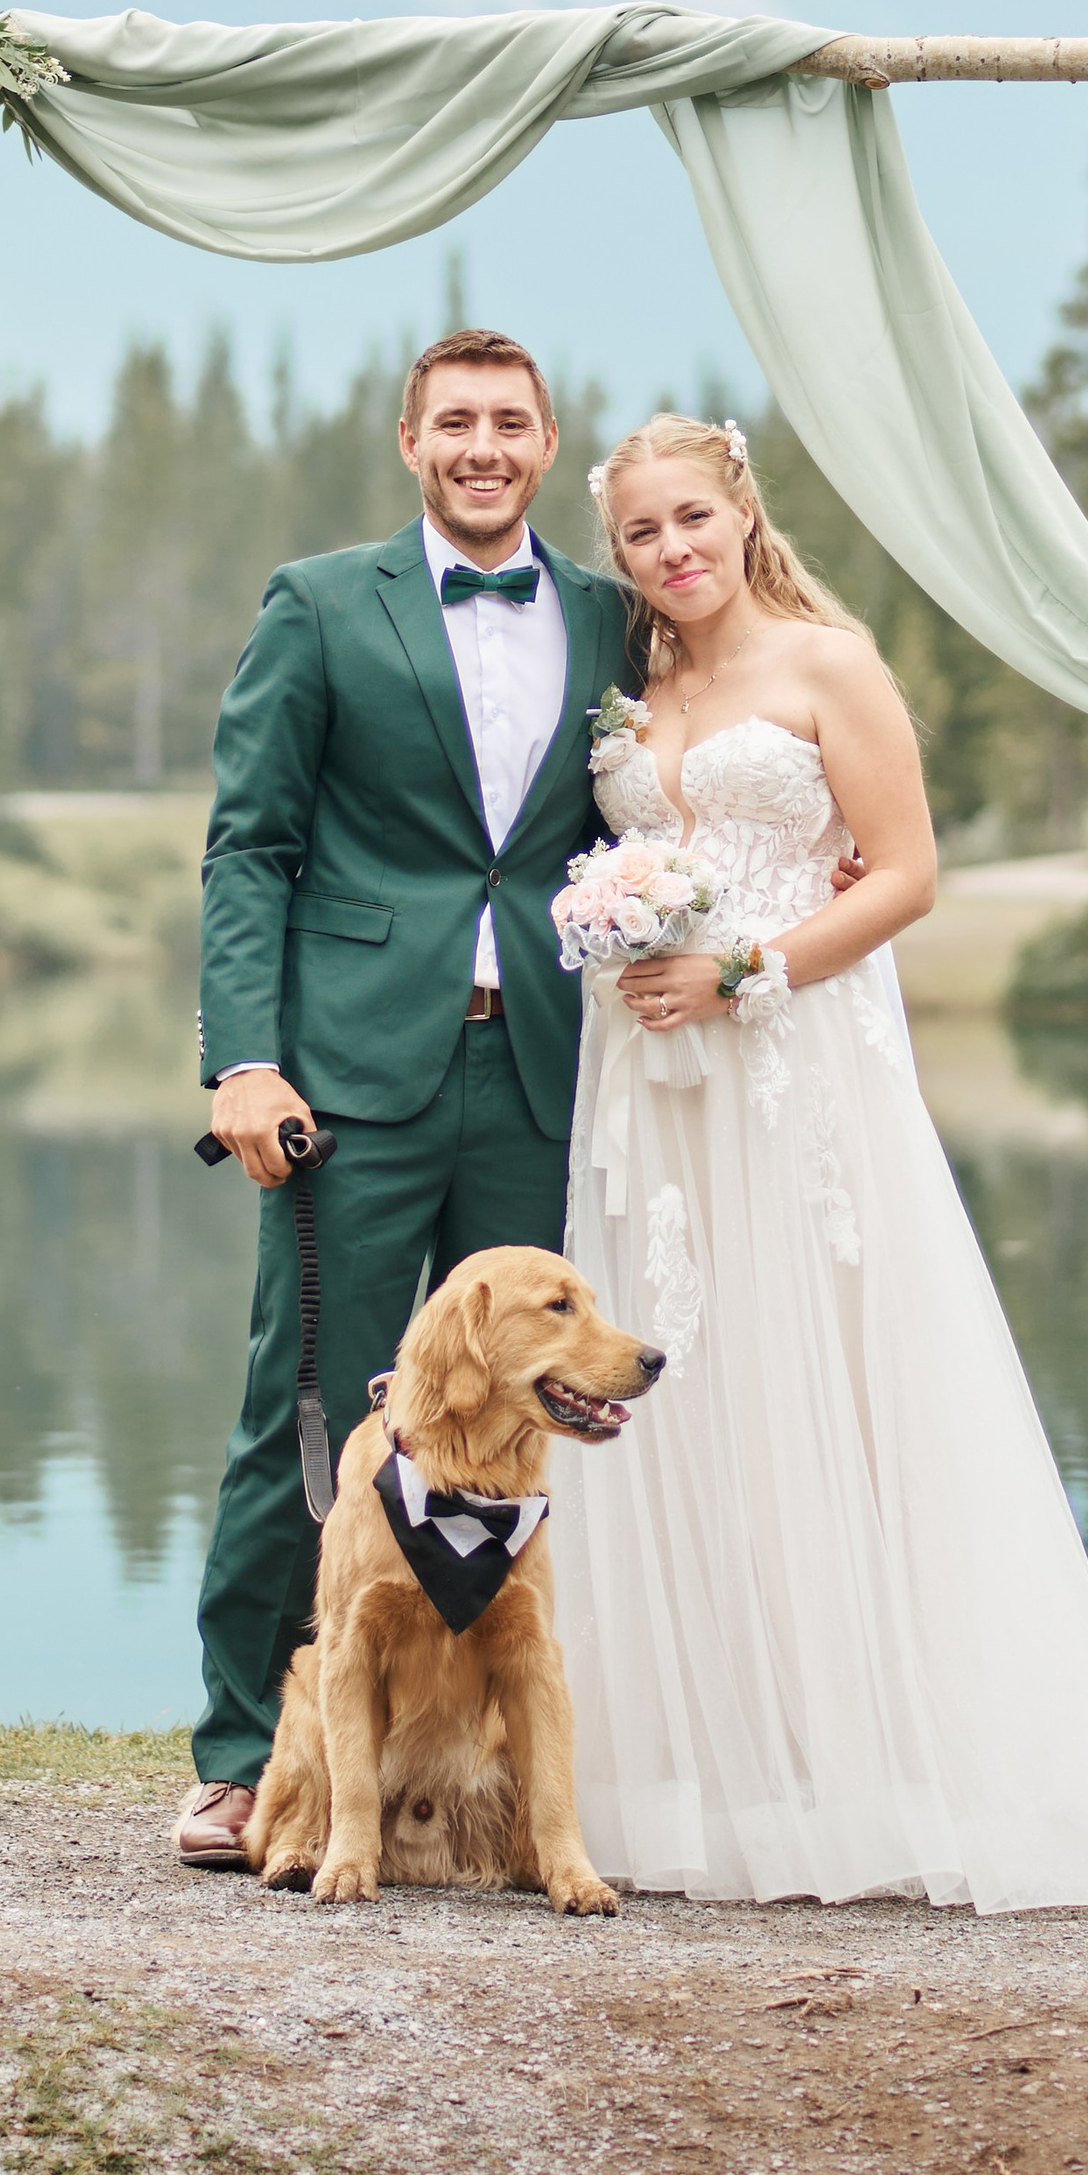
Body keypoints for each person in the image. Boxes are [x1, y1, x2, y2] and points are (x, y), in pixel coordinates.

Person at [553, 412, 1088, 1912]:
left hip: (796, 1064)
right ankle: (726, 1759)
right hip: (651, 1087)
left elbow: (908, 872)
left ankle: (878, 1752)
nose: (673, 549)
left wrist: (749, 971)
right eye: (643, 532)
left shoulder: (828, 661)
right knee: (686, 1387)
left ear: (741, 507)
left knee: (826, 1375)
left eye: (692, 518)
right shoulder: (633, 686)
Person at [173, 329, 635, 1871]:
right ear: (409, 440)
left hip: (540, 1074)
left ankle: (492, 1769)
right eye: (456, 421)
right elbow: (250, 846)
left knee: (518, 1421)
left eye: (510, 419)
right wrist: (245, 1057)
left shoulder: (606, 614)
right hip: (351, 1083)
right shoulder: (318, 604)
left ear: (548, 440)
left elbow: (673, 782)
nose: (483, 444)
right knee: (305, 1415)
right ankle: (248, 1757)